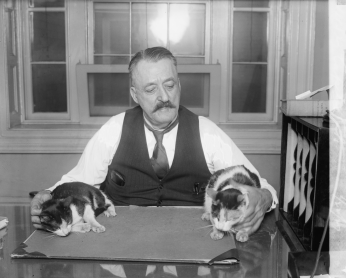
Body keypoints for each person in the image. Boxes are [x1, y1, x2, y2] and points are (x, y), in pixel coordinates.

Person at [31, 46, 278, 233]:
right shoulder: (114, 130)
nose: (163, 96)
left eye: (169, 85)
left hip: (193, 245)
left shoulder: (207, 133)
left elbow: (264, 188)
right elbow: (77, 181)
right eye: (150, 89)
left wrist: (263, 199)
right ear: (135, 95)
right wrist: (48, 194)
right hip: (120, 244)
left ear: (179, 85)